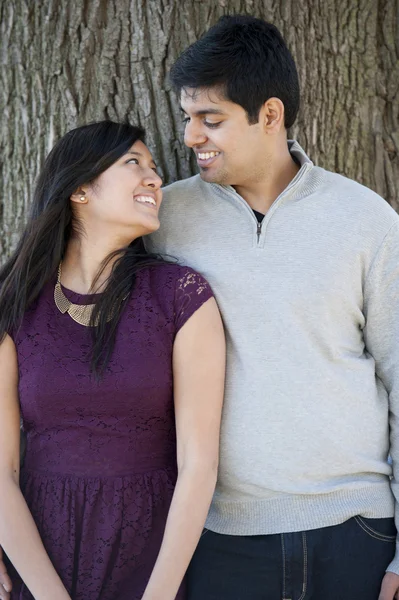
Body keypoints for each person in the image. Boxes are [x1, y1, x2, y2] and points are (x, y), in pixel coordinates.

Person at [144, 14, 399, 600]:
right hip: (217, 537)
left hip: (356, 530)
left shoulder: (365, 219)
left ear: (271, 116)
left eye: (211, 120)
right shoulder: (164, 220)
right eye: (187, 119)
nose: (189, 137)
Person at [0, 121, 225, 600]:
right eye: (133, 164)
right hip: (40, 553)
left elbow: (199, 466)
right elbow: (1, 469)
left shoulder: (180, 297)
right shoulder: (15, 304)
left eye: (154, 167)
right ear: (80, 189)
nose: (155, 179)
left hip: (153, 554)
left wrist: (158, 595)